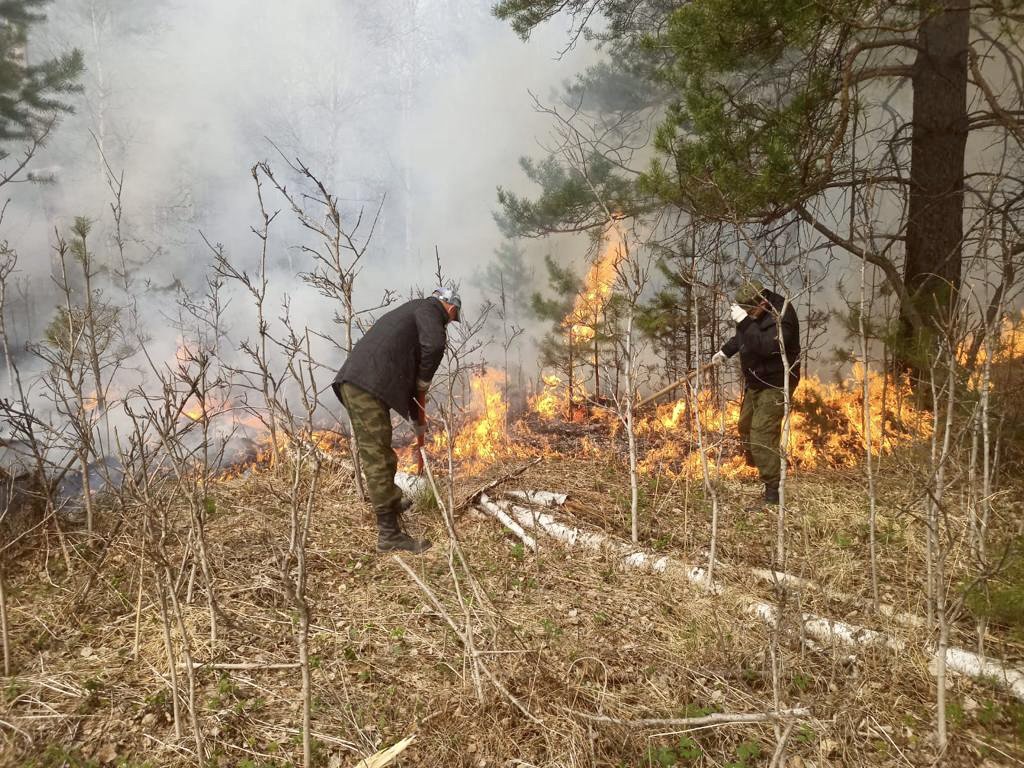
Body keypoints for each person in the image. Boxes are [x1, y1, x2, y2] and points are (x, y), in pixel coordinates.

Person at [332, 287, 462, 553]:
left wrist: (418, 419)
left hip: (364, 384)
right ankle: (389, 535)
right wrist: (425, 379)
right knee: (377, 456)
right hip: (364, 386)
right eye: (453, 317)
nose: (450, 322)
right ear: (449, 306)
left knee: (382, 453)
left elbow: (414, 383)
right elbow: (434, 346)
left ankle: (390, 502)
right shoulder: (429, 309)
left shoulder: (413, 312)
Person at [711, 279, 800, 506]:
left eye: (750, 311)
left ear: (761, 301)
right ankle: (762, 463)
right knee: (745, 426)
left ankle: (773, 491)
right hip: (756, 379)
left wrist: (744, 322)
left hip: (777, 382)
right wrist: (725, 351)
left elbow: (766, 346)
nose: (748, 315)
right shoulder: (754, 315)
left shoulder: (783, 315)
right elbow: (745, 336)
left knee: (761, 434)